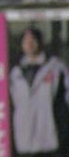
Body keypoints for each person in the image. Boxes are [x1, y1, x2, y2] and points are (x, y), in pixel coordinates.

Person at [10, 28, 69, 156]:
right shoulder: (14, 72)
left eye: (33, 40)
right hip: (24, 143)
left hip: (51, 142)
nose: (29, 43)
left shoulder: (56, 67)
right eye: (26, 40)